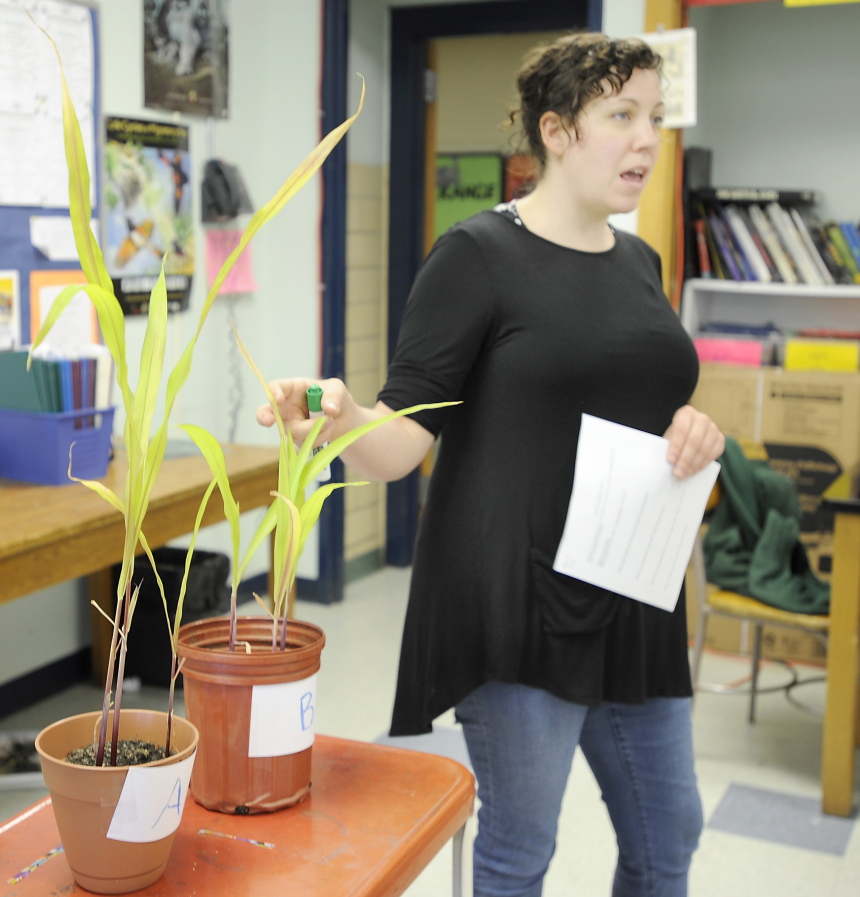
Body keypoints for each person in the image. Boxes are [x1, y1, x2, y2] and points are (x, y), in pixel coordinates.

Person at [257, 33, 724, 896]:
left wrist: (697, 431)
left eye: (654, 118)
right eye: (619, 115)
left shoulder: (641, 261)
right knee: (520, 847)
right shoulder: (475, 255)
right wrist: (340, 417)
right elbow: (400, 441)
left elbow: (645, 409)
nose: (644, 141)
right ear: (555, 130)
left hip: (634, 596)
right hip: (518, 603)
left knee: (670, 837)